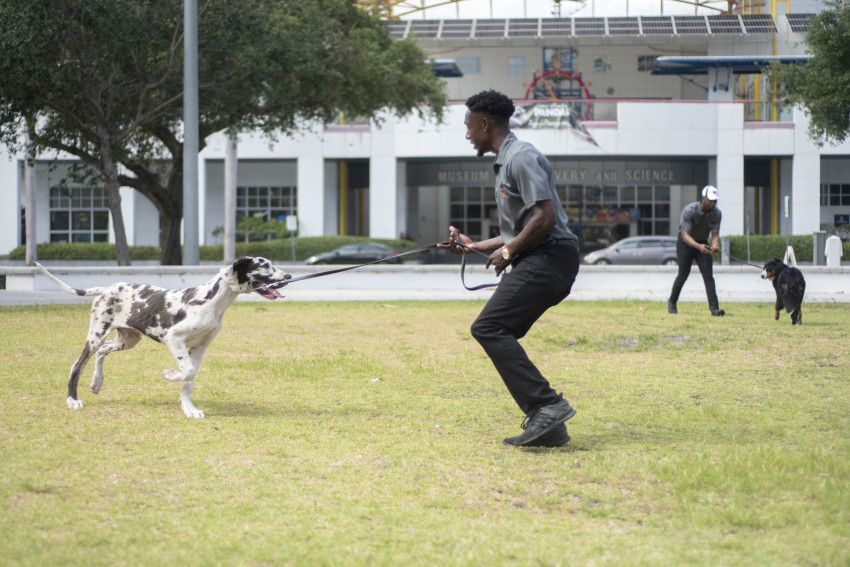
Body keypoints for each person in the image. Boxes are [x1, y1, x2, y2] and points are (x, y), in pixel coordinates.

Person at [439, 90, 580, 448]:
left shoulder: (521, 157)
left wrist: (509, 250)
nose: (467, 134)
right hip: (541, 257)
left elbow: (545, 218)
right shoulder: (506, 161)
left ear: (485, 123)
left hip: (550, 258)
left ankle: (547, 406)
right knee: (495, 329)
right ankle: (550, 425)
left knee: (489, 327)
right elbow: (516, 231)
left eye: (469, 126)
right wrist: (473, 247)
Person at [667, 185, 725, 316]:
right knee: (683, 275)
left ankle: (714, 309)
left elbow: (715, 234)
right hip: (686, 243)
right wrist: (699, 247)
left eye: (715, 200)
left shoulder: (717, 213)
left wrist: (715, 245)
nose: (713, 203)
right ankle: (672, 302)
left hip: (702, 242)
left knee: (708, 275)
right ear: (703, 198)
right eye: (710, 200)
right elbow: (685, 236)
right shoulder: (689, 210)